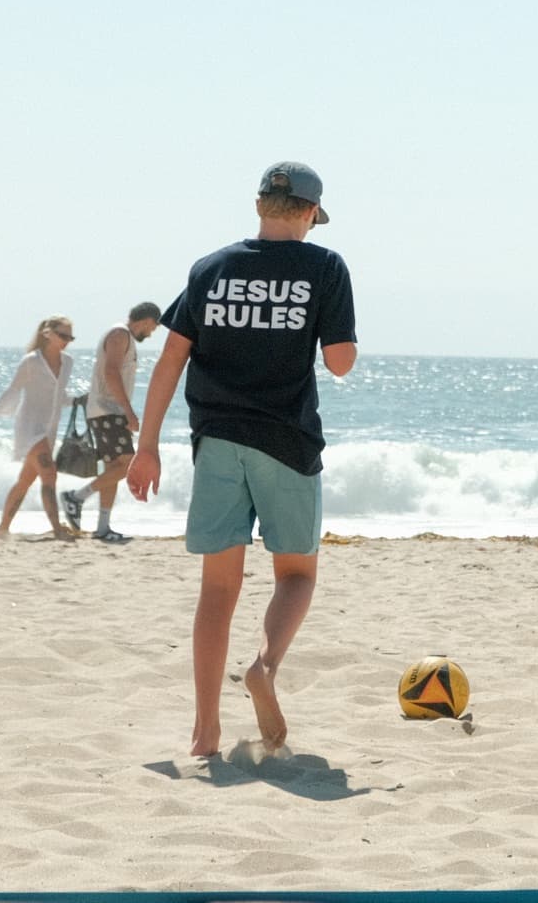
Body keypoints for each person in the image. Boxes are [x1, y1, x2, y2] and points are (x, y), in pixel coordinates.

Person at [127, 162, 357, 759]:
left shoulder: (212, 268)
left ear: (260, 206)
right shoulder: (325, 267)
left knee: (217, 591)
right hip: (286, 439)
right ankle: (263, 666)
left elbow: (169, 361)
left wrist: (146, 445)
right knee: (298, 574)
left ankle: (205, 731)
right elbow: (339, 362)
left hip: (217, 439)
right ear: (309, 212)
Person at [60, 302, 162, 543]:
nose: (150, 333)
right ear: (147, 320)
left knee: (113, 468)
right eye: (152, 328)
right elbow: (111, 372)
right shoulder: (120, 335)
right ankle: (76, 497)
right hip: (109, 411)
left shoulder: (123, 337)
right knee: (127, 466)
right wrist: (129, 412)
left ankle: (103, 528)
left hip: (107, 410)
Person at [0, 317, 81, 539]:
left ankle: (2, 528)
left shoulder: (68, 362)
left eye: (70, 337)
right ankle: (57, 530)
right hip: (29, 428)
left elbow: (59, 396)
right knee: (49, 474)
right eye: (63, 336)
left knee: (25, 481)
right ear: (48, 334)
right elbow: (13, 391)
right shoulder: (31, 362)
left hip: (49, 428)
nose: (66, 341)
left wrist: (81, 400)